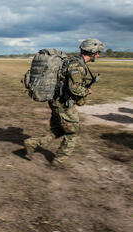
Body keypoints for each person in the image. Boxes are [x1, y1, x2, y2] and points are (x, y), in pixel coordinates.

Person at [24, 38, 105, 168]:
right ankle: (58, 161)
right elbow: (74, 88)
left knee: (58, 130)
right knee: (72, 133)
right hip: (64, 104)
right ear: (92, 52)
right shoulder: (76, 66)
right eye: (98, 52)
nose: (98, 55)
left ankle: (32, 143)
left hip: (56, 102)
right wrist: (86, 91)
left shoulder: (72, 61)